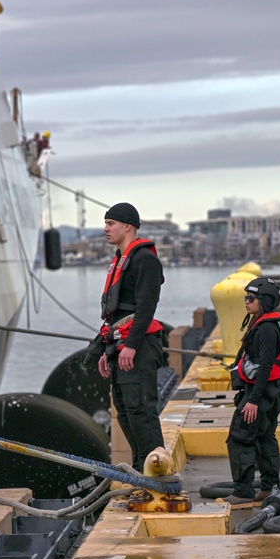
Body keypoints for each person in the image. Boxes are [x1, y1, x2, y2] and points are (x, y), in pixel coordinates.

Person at [95, 202, 166, 474]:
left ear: (128, 226)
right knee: (124, 411)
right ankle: (141, 467)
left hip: (139, 345)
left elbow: (147, 307)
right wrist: (106, 350)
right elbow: (116, 315)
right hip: (119, 343)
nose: (105, 228)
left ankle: (158, 472)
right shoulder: (120, 259)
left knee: (141, 410)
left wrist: (132, 346)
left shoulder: (144, 259)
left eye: (110, 223)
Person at [222, 277, 280, 508]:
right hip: (272, 392)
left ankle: (243, 491)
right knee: (264, 437)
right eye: (246, 297)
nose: (246, 302)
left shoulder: (266, 330)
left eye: (251, 298)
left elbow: (264, 368)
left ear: (265, 302)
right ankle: (268, 487)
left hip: (261, 394)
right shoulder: (267, 325)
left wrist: (252, 401)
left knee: (239, 437)